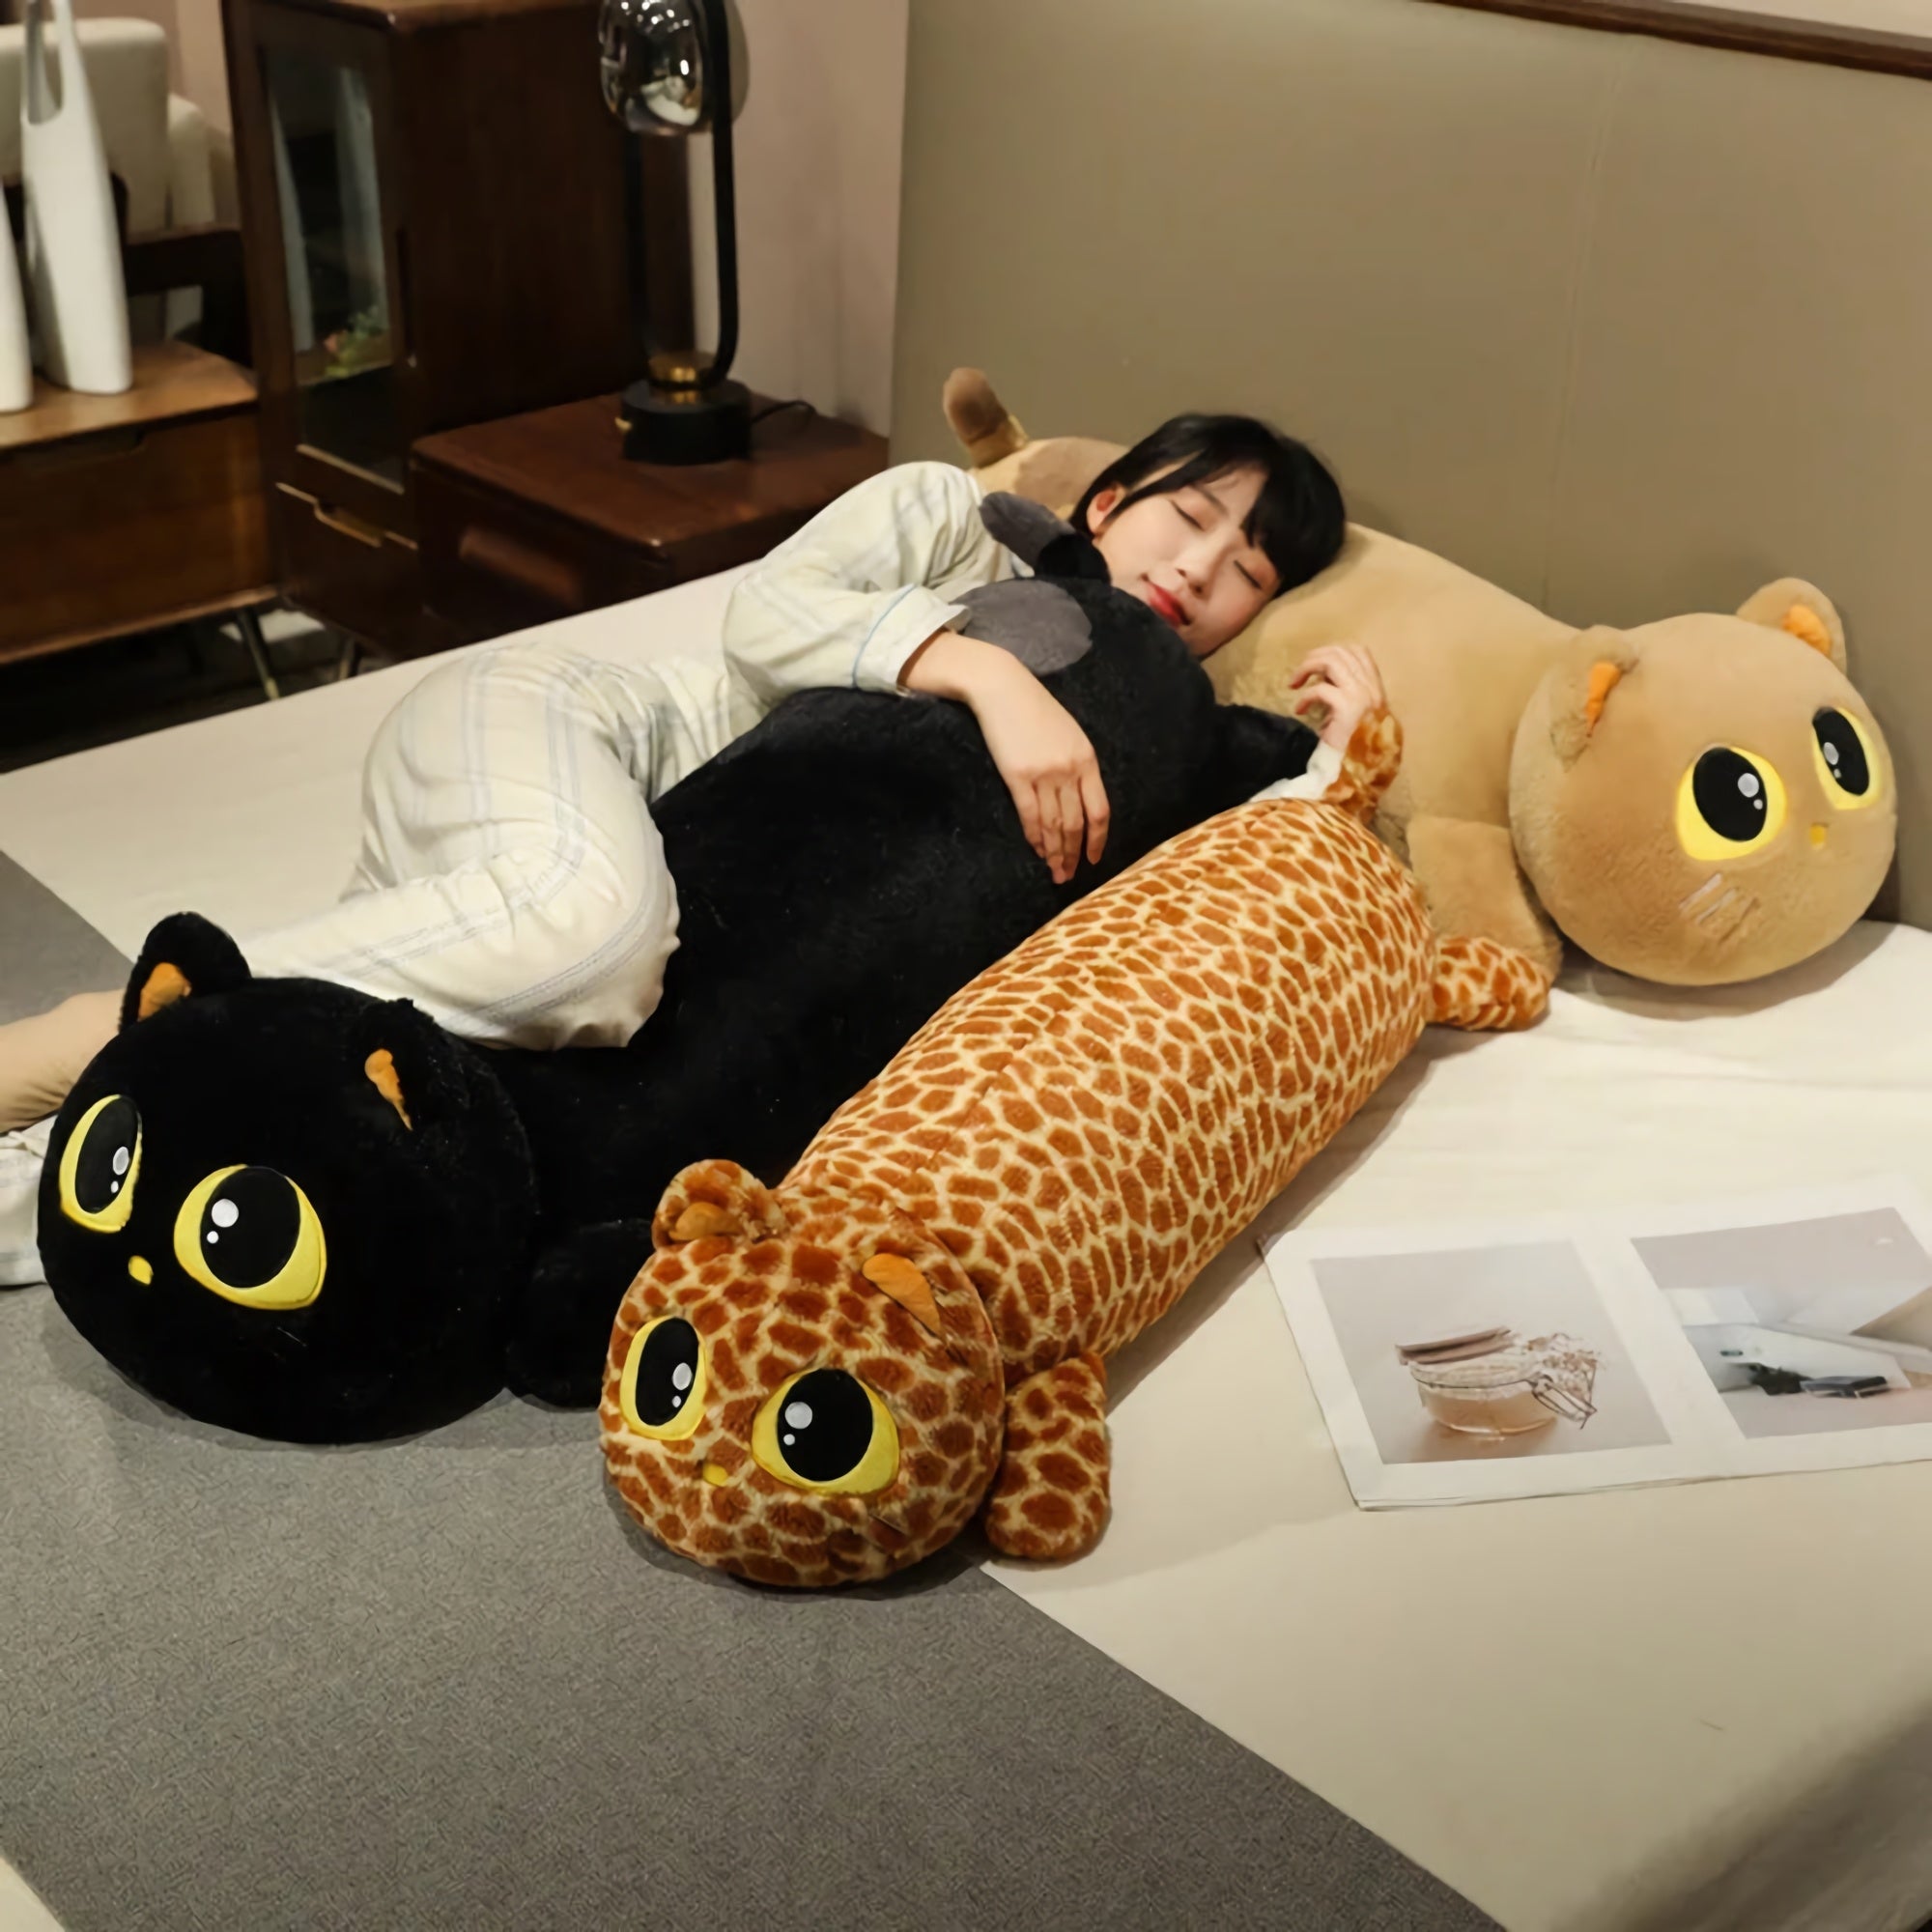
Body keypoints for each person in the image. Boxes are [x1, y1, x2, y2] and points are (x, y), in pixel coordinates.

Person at [0, 412, 1377, 1168]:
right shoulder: (947, 522)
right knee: (597, 950)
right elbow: (764, 618)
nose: (1201, 571)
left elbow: (1201, 893)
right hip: (566, 731)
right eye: (1192, 518)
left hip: (590, 859)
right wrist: (984, 673)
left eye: (1249, 570)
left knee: (329, 1125)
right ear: (1115, 495)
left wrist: (1338, 762)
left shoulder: (1143, 722)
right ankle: (99, 1015)